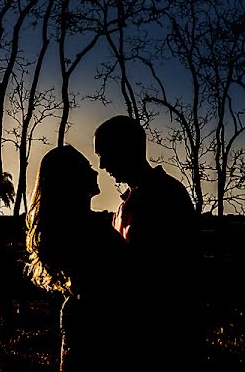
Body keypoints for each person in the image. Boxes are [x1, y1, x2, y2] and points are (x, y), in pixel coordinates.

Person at [94, 115, 201, 371]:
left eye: (105, 153)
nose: (102, 164)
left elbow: (164, 273)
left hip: (163, 341)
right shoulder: (125, 204)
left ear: (128, 148)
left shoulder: (167, 196)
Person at [26, 145, 133, 372]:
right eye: (88, 168)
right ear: (70, 180)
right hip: (97, 326)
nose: (96, 172)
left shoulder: (73, 227)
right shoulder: (84, 230)